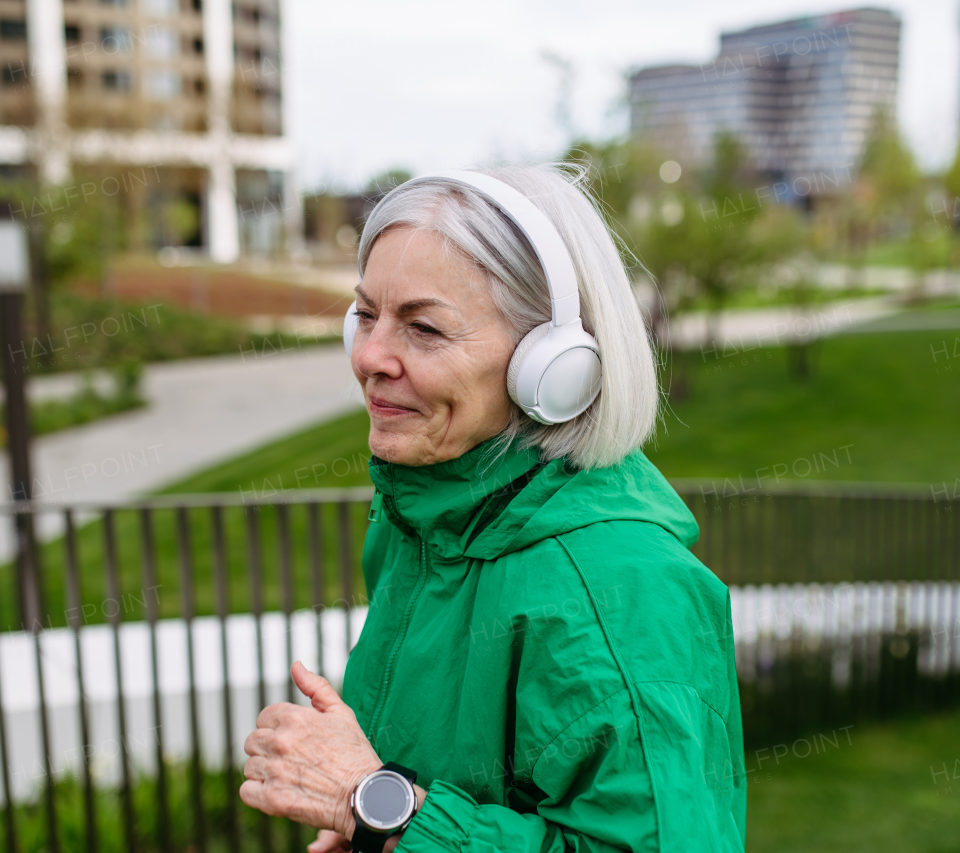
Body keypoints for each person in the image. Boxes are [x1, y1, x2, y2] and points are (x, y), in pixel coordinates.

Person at [240, 165, 746, 852]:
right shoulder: (422, 519)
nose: (370, 356)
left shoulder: (619, 587)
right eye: (365, 314)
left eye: (422, 328)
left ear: (552, 367)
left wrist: (380, 808)